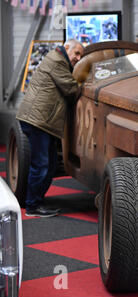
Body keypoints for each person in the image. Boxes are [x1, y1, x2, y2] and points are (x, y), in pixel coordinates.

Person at [16, 39, 84, 217]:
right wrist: (84, 86)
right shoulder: (57, 61)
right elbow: (71, 89)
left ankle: (38, 201)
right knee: (41, 165)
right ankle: (32, 206)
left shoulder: (58, 59)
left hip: (41, 120)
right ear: (66, 47)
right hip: (38, 120)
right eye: (76, 53)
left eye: (81, 56)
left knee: (50, 164)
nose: (78, 58)